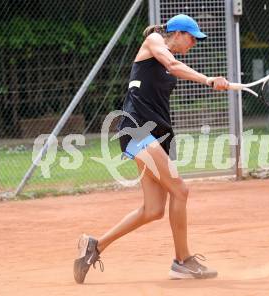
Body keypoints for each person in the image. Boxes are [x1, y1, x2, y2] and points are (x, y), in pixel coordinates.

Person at [73, 14, 229, 283]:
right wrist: (208, 80)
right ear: (177, 33)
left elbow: (170, 74)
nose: (194, 43)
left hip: (155, 134)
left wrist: (214, 83)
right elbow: (171, 63)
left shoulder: (172, 60)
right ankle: (182, 261)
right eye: (192, 38)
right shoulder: (154, 40)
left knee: (153, 209)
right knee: (180, 189)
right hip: (136, 130)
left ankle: (94, 246)